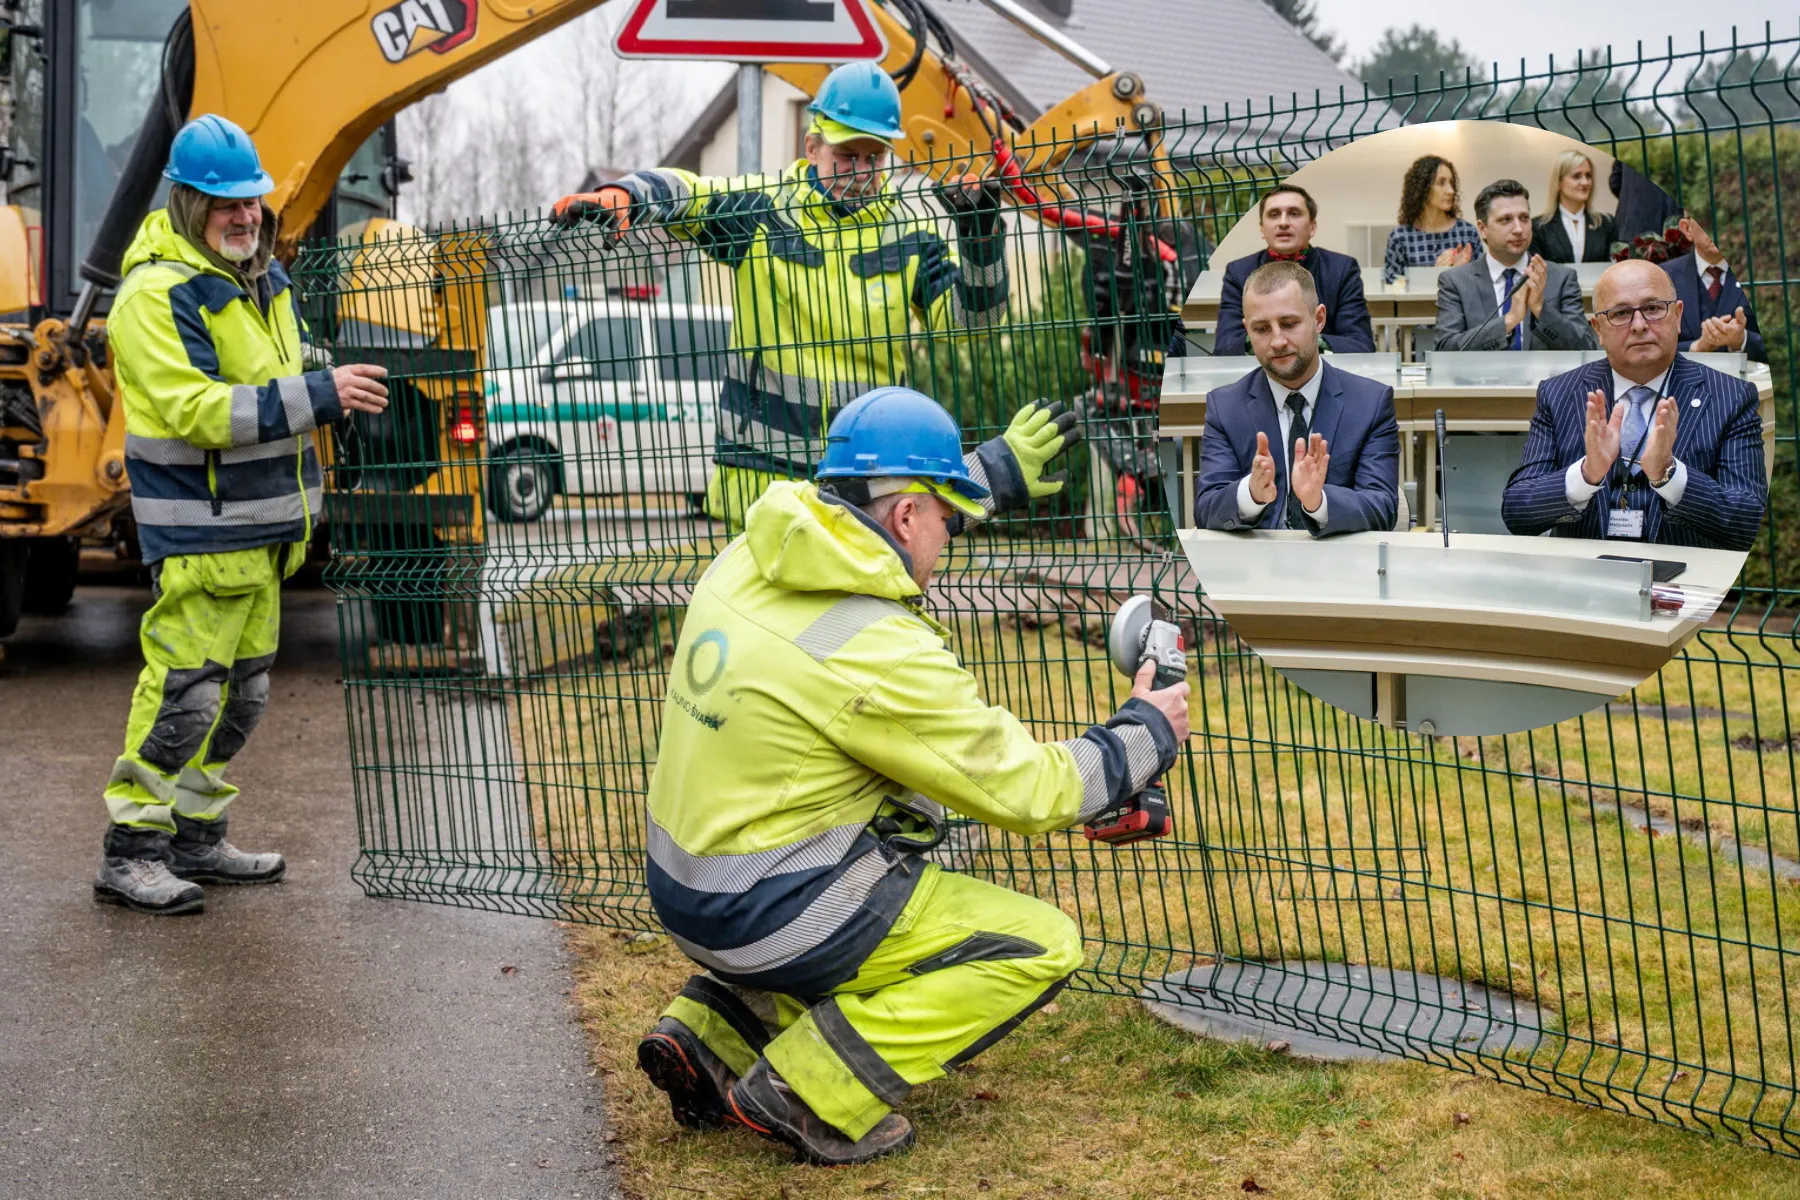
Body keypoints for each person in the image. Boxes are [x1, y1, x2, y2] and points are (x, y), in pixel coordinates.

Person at [629, 386, 1185, 1166]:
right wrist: (1144, 732)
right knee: (1039, 944)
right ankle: (808, 1092)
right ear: (903, 518)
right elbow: (1024, 789)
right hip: (768, 912)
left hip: (684, 886)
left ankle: (709, 1032)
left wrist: (981, 471)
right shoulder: (873, 644)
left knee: (880, 872)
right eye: (946, 517)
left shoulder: (752, 554)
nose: (949, 538)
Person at [95, 115, 390, 914]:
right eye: (226, 203)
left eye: (252, 200)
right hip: (200, 530)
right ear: (188, 203)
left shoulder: (264, 282)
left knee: (240, 700)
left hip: (262, 535)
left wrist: (330, 379)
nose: (245, 215)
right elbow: (194, 409)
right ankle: (131, 852)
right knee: (184, 693)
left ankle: (196, 839)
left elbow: (280, 375)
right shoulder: (156, 293)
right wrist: (316, 397)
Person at [549, 61, 1009, 531]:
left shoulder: (908, 235)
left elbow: (972, 326)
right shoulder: (762, 212)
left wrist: (980, 233)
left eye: (874, 157)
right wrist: (628, 196)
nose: (861, 171)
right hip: (760, 475)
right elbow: (688, 192)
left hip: (864, 478)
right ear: (812, 147)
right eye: (847, 154)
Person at [1500, 259, 1766, 551]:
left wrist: (1670, 474)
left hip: (1686, 584)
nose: (1639, 325)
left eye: (1653, 309)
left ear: (1677, 316)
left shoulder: (1731, 397)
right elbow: (1518, 512)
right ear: (1598, 328)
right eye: (1621, 313)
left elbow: (1748, 522)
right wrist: (1587, 474)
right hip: (1584, 583)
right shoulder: (1560, 393)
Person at [1194, 262, 1399, 535]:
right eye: (1262, 329)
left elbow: (1382, 507)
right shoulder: (1225, 407)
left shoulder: (1371, 403)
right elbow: (1206, 508)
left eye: (1289, 324)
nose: (1277, 341)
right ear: (1247, 330)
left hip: (1340, 566)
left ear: (1319, 319)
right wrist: (1250, 495)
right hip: (1257, 569)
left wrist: (1319, 502)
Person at [1435, 179, 1597, 352]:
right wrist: (1509, 321)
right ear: (1482, 229)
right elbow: (1445, 350)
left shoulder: (1561, 278)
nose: (1519, 229)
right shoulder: (1456, 282)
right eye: (1506, 220)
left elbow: (1586, 348)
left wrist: (1541, 309)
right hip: (1482, 378)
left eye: (1524, 218)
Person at [1213, 184, 1374, 356]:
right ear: (1262, 229)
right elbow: (1225, 347)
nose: (1283, 223)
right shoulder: (1239, 272)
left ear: (1312, 227)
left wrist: (1302, 340)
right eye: (1274, 215)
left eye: (1294, 213)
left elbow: (1360, 345)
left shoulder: (1341, 269)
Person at [1661, 214, 1766, 363]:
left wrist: (1742, 339)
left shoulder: (1765, 273)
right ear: (1687, 229)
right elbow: (1650, 348)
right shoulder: (1663, 277)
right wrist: (1696, 347)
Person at [1382, 154, 1481, 283]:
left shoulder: (1467, 232)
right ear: (1422, 188)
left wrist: (1461, 272)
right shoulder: (1400, 237)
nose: (1450, 190)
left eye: (1451, 183)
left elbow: (1483, 285)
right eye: (1441, 183)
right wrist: (1434, 274)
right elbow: (1393, 289)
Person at [1530, 150, 1617, 264]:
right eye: (1577, 176)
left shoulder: (1606, 223)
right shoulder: (1539, 227)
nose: (1585, 182)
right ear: (1559, 182)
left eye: (1588, 176)